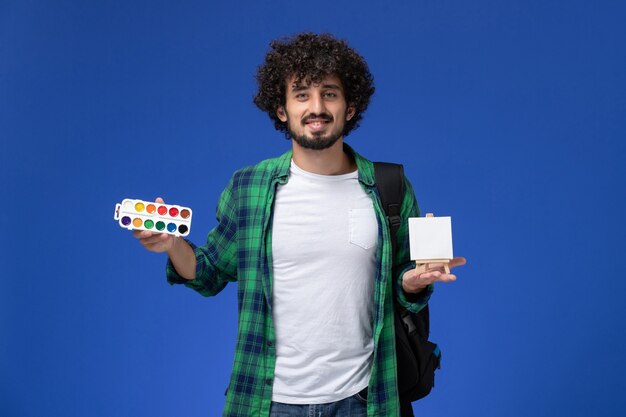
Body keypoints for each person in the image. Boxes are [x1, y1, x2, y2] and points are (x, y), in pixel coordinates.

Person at [135, 32, 465, 417]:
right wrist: (172, 244)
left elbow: (405, 277)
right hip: (269, 401)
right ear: (282, 109)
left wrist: (412, 281)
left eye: (329, 93)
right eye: (302, 94)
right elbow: (208, 274)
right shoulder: (249, 188)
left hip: (363, 399)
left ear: (351, 107)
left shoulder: (388, 187)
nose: (316, 107)